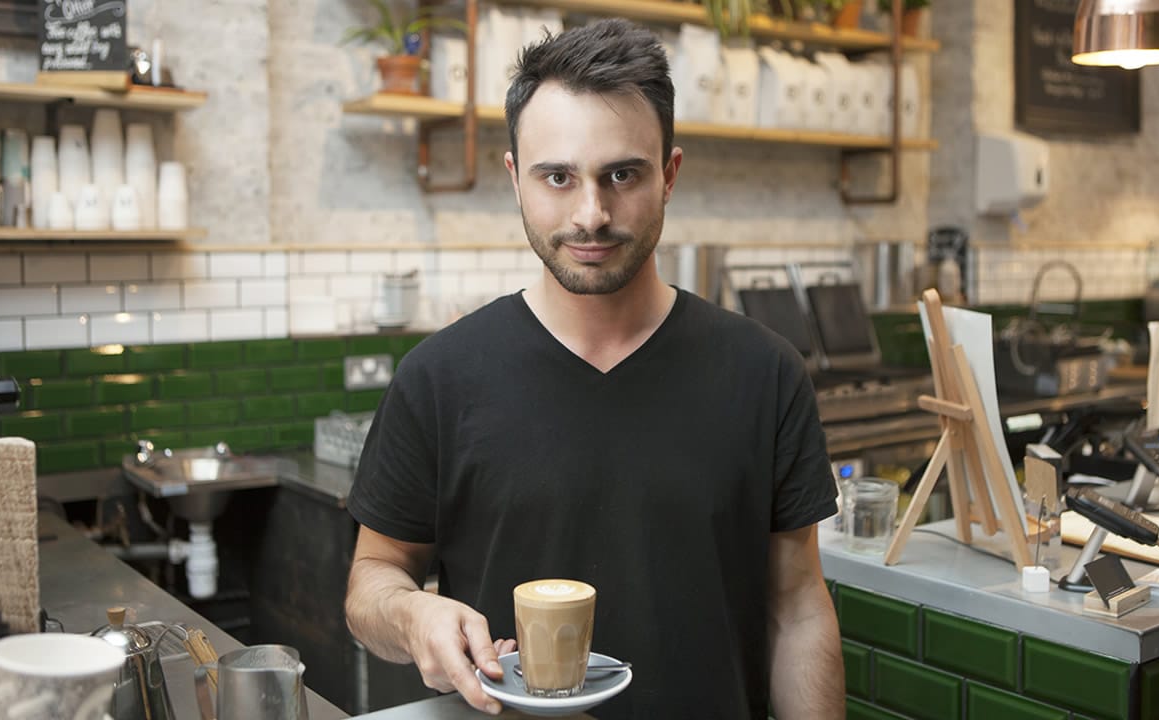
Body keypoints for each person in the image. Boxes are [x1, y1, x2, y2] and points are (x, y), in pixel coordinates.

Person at [345, 17, 844, 719]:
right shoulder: (439, 378)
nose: (591, 214)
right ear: (516, 179)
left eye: (621, 175)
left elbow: (797, 608)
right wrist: (408, 616)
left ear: (668, 175)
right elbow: (373, 579)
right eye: (558, 177)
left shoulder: (766, 374)